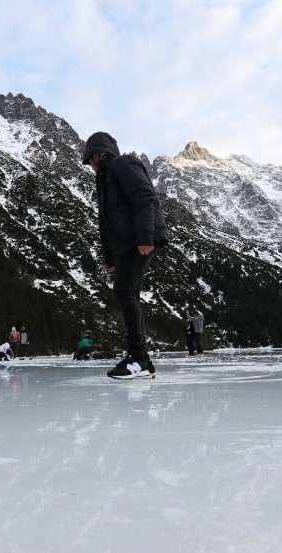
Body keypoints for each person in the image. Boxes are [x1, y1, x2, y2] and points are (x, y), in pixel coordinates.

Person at [82, 132, 169, 379]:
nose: (90, 166)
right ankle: (142, 360)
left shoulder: (122, 164)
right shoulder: (103, 179)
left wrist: (144, 236)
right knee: (129, 293)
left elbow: (144, 196)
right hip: (126, 243)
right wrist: (109, 258)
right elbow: (106, 222)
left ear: (99, 154)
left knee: (123, 291)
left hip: (140, 238)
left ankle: (138, 358)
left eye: (90, 160)